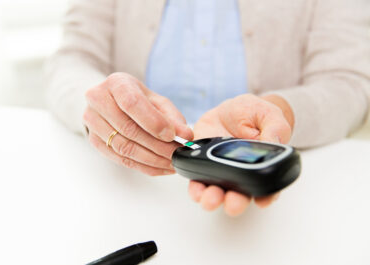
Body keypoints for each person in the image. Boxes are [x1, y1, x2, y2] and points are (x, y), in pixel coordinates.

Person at [46, 0, 370, 216]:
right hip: (123, 193)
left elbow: (348, 82)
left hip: (292, 209)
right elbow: (71, 60)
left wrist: (276, 110)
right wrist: (101, 106)